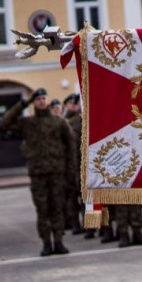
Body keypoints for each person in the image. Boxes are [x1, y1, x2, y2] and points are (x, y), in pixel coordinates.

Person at [1, 87, 77, 256]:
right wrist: (22, 103)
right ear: (33, 102)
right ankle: (46, 243)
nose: (42, 101)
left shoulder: (59, 121)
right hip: (38, 173)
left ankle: (58, 241)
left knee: (57, 207)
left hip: (57, 172)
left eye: (44, 98)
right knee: (42, 209)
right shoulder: (28, 122)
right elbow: (5, 123)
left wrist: (71, 168)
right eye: (38, 99)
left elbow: (70, 144)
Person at [62, 93, 88, 236]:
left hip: (84, 164)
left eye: (75, 103)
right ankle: (75, 223)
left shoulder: (83, 119)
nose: (74, 105)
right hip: (71, 165)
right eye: (70, 103)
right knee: (72, 197)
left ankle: (87, 225)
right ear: (66, 105)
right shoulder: (64, 122)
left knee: (85, 197)